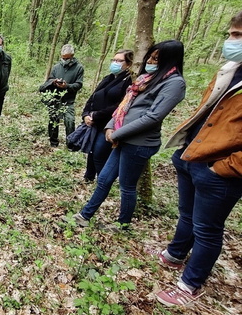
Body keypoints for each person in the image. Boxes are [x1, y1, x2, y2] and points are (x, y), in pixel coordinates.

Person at [154, 12, 242, 307]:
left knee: (207, 229)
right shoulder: (229, 71)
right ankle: (176, 253)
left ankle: (189, 283)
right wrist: (183, 154)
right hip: (192, 155)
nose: (230, 41)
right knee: (187, 214)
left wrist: (222, 168)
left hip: (220, 170)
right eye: (231, 34)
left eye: (238, 36)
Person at [69, 40, 187, 231]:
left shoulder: (174, 84)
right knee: (104, 179)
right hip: (121, 138)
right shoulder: (145, 80)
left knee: (127, 186)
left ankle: (122, 224)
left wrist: (117, 133)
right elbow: (124, 106)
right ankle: (84, 215)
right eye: (150, 56)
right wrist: (109, 127)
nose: (151, 61)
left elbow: (153, 116)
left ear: (169, 60)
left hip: (139, 143)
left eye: (156, 58)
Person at [80, 50, 134, 182]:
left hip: (110, 124)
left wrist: (96, 115)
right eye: (113, 60)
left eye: (119, 61)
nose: (115, 63)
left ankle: (103, 181)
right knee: (92, 151)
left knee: (99, 152)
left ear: (129, 63)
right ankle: (89, 177)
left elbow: (120, 105)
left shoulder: (129, 81)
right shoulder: (108, 78)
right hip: (95, 122)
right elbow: (93, 97)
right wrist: (86, 114)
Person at [43, 44, 84, 147]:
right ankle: (53, 142)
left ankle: (70, 144)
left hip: (68, 100)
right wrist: (54, 82)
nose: (65, 60)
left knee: (70, 121)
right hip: (55, 99)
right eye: (63, 57)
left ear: (72, 56)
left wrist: (67, 86)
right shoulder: (57, 67)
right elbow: (50, 79)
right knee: (53, 120)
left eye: (67, 58)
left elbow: (79, 84)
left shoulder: (79, 68)